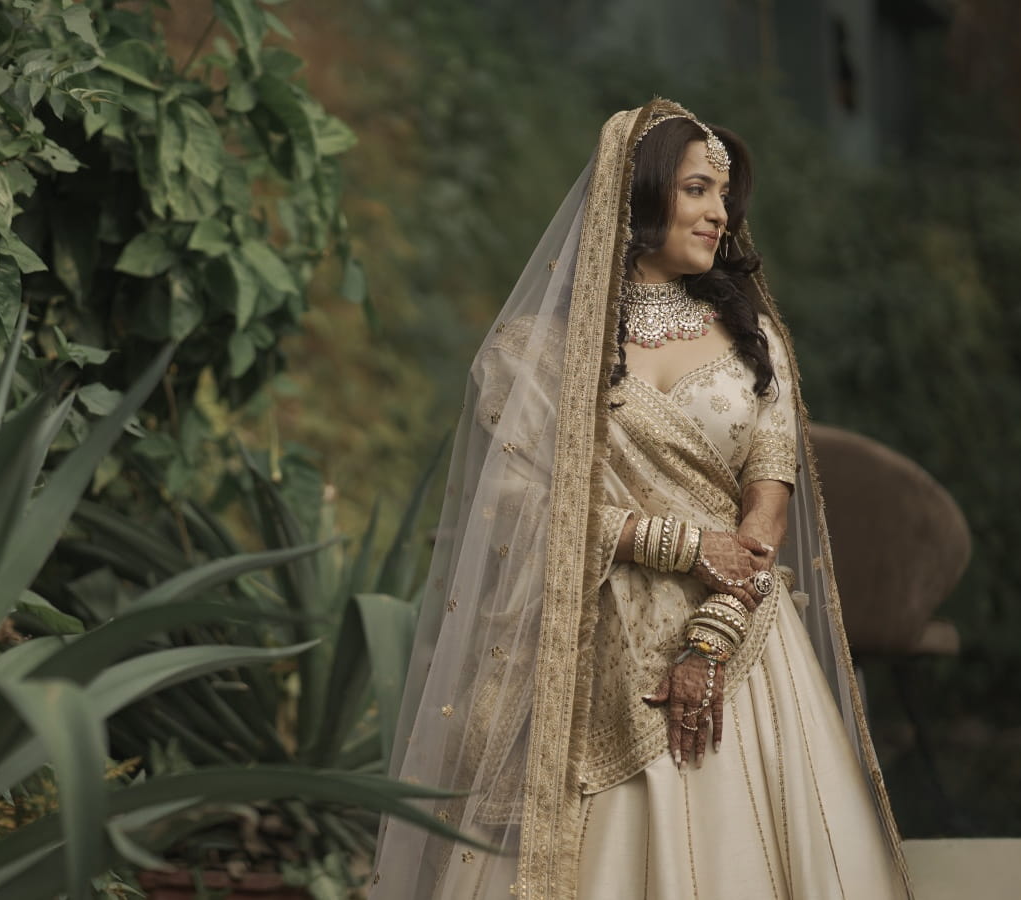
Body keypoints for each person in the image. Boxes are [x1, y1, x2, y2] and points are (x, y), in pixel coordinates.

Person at [368, 99, 914, 898]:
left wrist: (712, 635)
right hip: (584, 649)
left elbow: (767, 503)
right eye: (697, 190)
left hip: (739, 639)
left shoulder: (754, 342)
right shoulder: (536, 357)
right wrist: (686, 546)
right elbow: (518, 508)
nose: (720, 214)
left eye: (724, 196)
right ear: (639, 196)